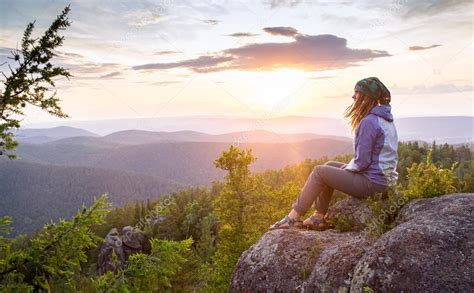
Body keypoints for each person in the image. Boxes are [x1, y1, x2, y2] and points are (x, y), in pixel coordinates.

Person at [269, 77, 399, 230]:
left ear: (365, 97)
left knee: (319, 172)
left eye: (357, 93)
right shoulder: (385, 119)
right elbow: (368, 160)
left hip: (373, 184)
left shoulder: (369, 122)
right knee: (329, 165)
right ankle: (318, 217)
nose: (353, 97)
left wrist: (347, 170)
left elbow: (362, 162)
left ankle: (292, 217)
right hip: (384, 182)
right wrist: (345, 169)